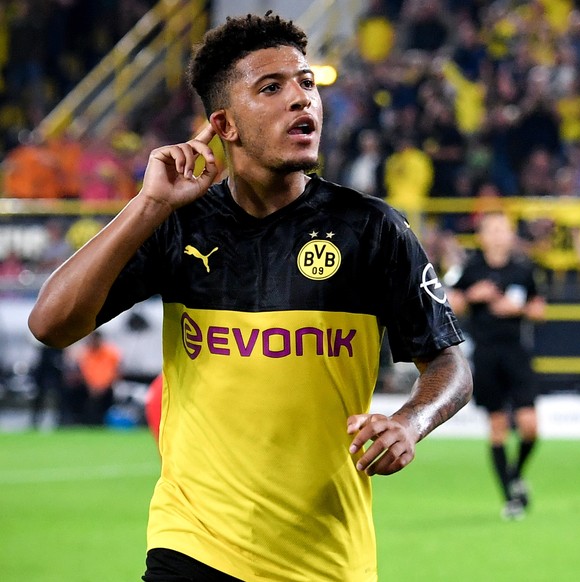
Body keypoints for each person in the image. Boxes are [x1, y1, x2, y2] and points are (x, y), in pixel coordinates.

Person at [28, 12, 472, 581]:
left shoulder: (371, 229)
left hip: (327, 560)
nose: (301, 100)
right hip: (192, 547)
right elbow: (51, 324)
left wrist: (411, 421)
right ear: (225, 124)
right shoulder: (177, 225)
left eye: (307, 83)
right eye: (272, 87)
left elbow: (448, 362)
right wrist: (149, 205)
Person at [447, 211, 546, 521]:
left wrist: (518, 308)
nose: (500, 234)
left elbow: (539, 309)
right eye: (494, 229)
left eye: (505, 228)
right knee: (498, 427)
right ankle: (511, 498)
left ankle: (515, 473)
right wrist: (473, 296)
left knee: (530, 427)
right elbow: (451, 303)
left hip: (516, 353)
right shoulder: (471, 269)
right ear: (483, 235)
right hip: (487, 355)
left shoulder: (523, 269)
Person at [72, 330, 121, 425]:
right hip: (88, 387)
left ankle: (104, 421)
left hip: (107, 387)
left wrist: (102, 386)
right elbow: (83, 371)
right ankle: (80, 420)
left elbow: (114, 372)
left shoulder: (110, 353)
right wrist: (91, 386)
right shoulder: (85, 353)